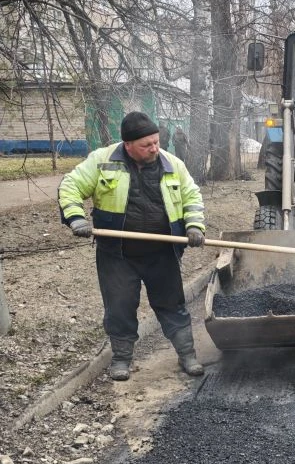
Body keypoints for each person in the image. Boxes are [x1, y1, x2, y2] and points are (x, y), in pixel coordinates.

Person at [58, 111, 207, 382]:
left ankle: (188, 355)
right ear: (128, 145)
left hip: (162, 253)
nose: (154, 149)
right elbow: (70, 186)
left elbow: (192, 197)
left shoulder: (173, 165)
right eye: (146, 145)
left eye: (156, 142)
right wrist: (76, 218)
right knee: (119, 307)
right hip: (117, 254)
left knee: (172, 305)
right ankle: (121, 359)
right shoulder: (102, 161)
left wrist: (195, 226)